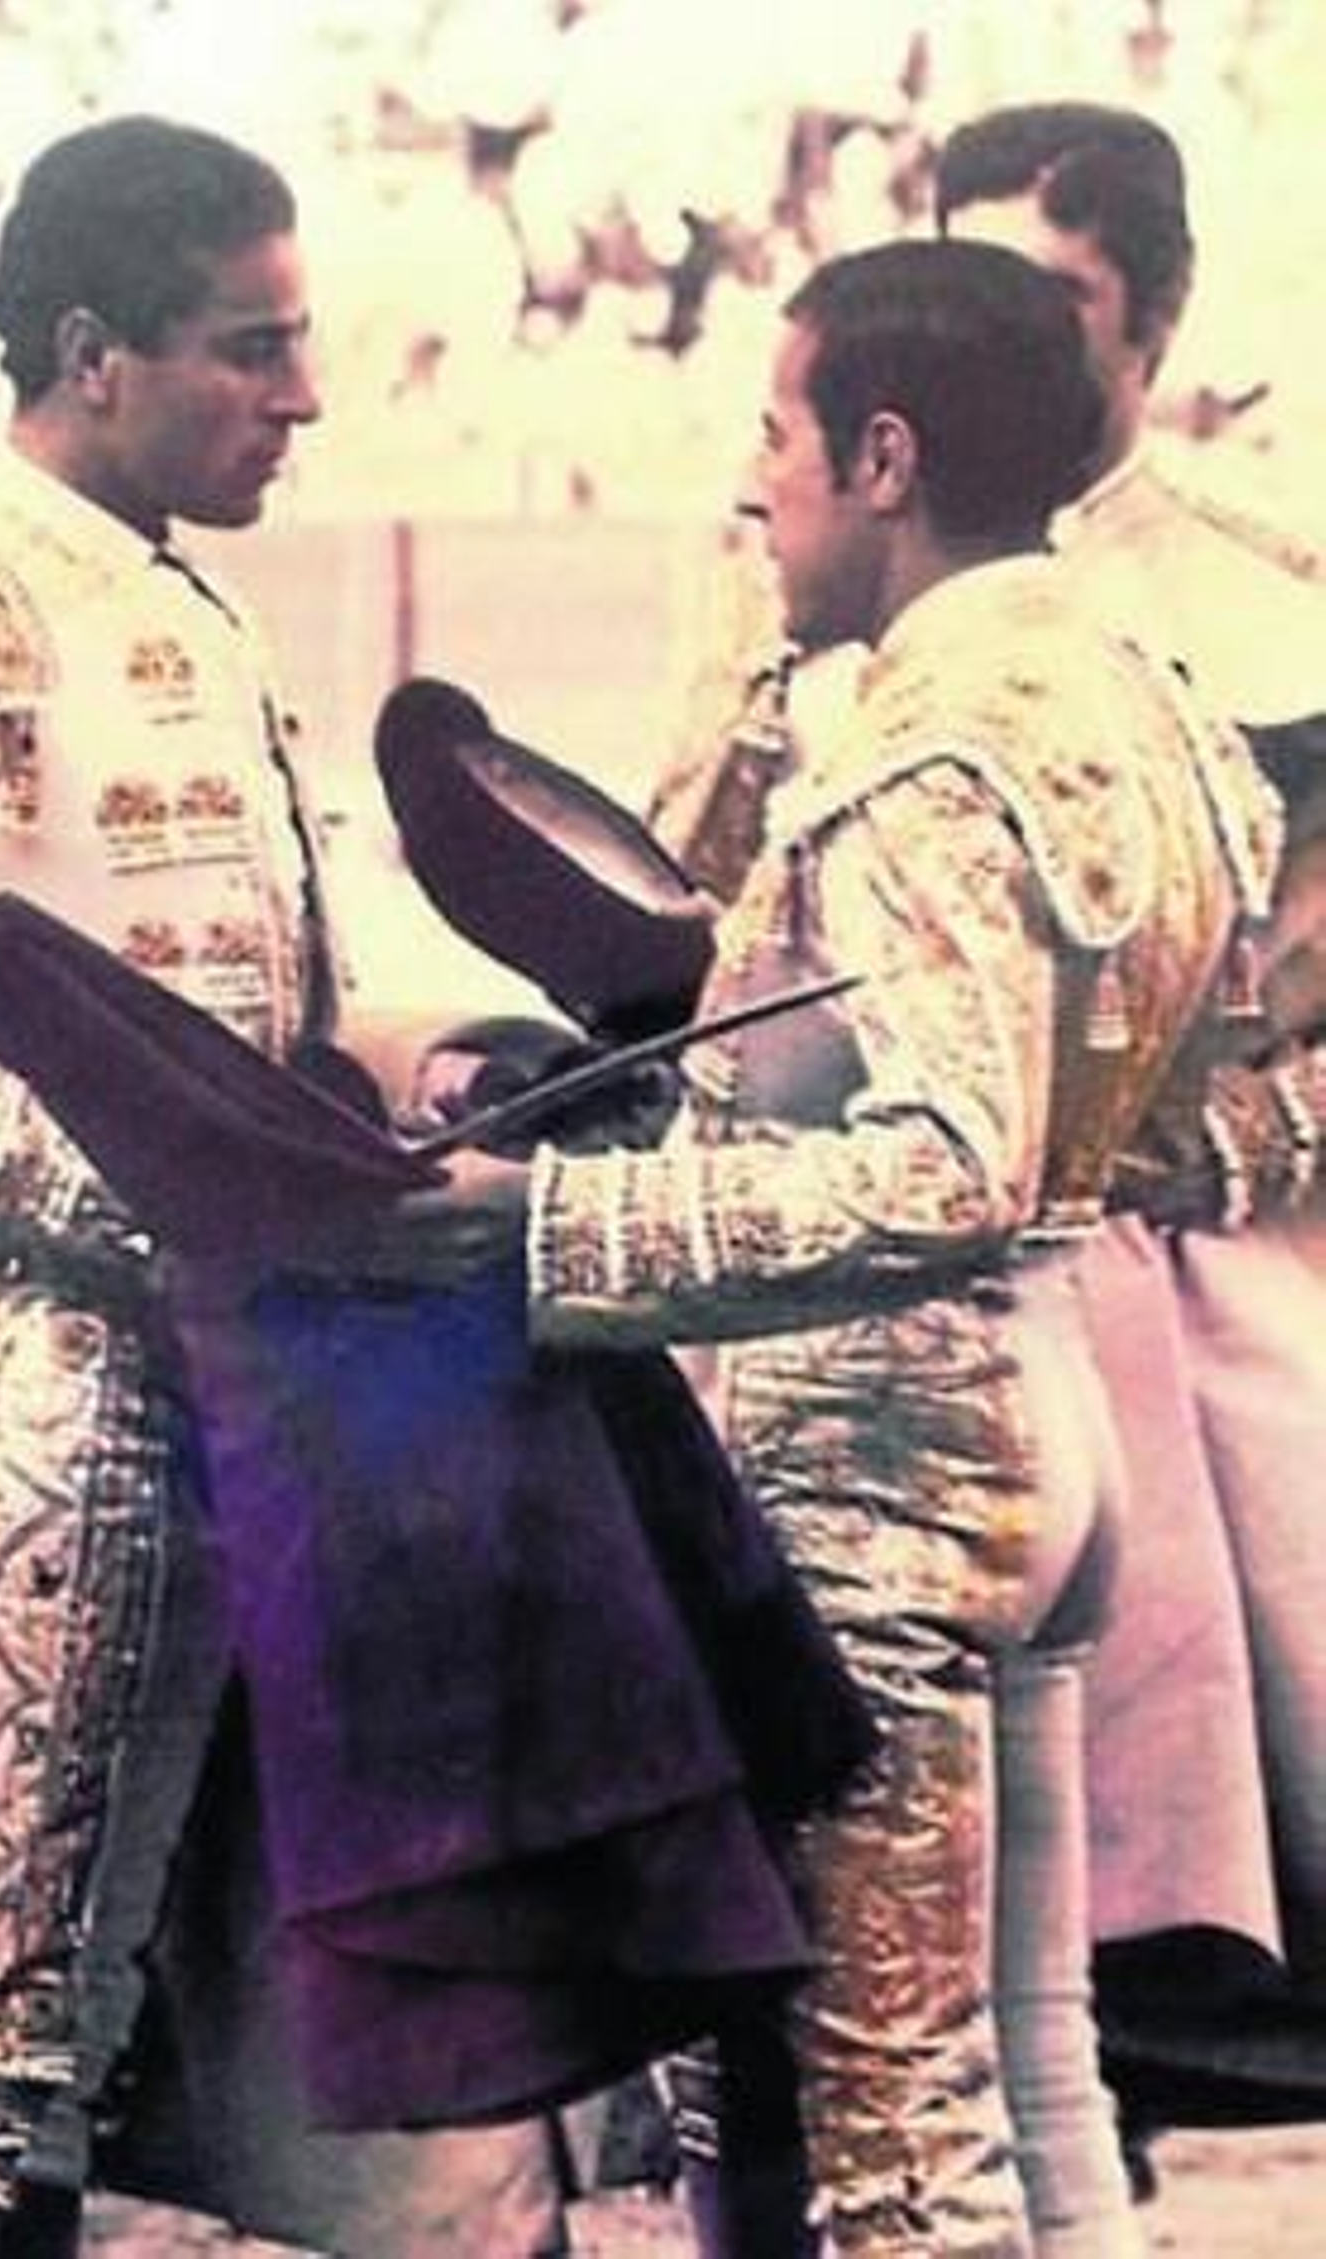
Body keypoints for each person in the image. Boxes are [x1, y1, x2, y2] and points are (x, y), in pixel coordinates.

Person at [0, 115, 571, 2258]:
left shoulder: (165, 595)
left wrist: (441, 1073)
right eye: (250, 348)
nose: (304, 397)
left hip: (234, 1377)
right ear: (93, 353)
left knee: (88, 2015)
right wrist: (145, 1187)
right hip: (45, 1394)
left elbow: (259, 1006)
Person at [406, 237, 1279, 2254]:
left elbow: (939, 1169)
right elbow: (1187, 1123)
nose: (754, 483)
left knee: (886, 2124)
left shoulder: (934, 748)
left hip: (880, 1466)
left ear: (883, 459)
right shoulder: (1149, 706)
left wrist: (548, 1221)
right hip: (1057, 1412)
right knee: (1033, 2067)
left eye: (776, 435)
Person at [938, 99, 1326, 2150]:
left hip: (1208, 1266)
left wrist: (1231, 1144)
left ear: (1155, 324)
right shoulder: (818, 562)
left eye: (1050, 304)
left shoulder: (1278, 599)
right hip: (901, 1249)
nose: (990, 348)